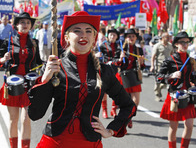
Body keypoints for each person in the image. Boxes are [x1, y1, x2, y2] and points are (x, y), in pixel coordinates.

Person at [28, 11, 136, 148]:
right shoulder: (54, 67)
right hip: (54, 142)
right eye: (77, 31)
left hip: (90, 143)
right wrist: (44, 79)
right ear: (67, 37)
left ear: (94, 37)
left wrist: (111, 130)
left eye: (88, 31)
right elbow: (35, 114)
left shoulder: (104, 71)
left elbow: (128, 105)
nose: (83, 35)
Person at [0, 12, 40, 148]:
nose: (25, 25)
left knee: (26, 120)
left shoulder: (34, 43)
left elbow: (39, 62)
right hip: (12, 85)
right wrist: (3, 59)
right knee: (13, 119)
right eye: (22, 22)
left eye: (28, 23)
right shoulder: (8, 42)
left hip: (29, 85)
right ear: (16, 25)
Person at [157, 31, 196, 148]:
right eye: (182, 42)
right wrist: (171, 75)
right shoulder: (170, 60)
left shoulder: (190, 59)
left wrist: (193, 82)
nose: (185, 44)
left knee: (189, 125)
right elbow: (158, 77)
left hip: (188, 96)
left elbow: (192, 77)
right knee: (173, 127)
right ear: (176, 44)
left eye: (187, 42)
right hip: (175, 96)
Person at [117, 28, 144, 128]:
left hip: (135, 75)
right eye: (129, 36)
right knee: (125, 101)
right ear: (126, 38)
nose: (131, 38)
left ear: (136, 37)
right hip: (123, 76)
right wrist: (120, 58)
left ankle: (129, 117)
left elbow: (143, 66)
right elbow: (116, 63)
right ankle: (123, 119)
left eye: (133, 36)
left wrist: (141, 62)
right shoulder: (121, 48)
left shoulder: (139, 49)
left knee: (136, 101)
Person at [97, 28, 121, 118]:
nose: (112, 36)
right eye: (111, 35)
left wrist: (121, 57)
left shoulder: (120, 46)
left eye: (114, 35)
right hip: (106, 69)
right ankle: (104, 110)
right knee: (104, 91)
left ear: (117, 37)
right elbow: (98, 56)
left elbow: (120, 59)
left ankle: (113, 109)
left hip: (116, 69)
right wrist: (98, 55)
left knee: (116, 90)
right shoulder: (103, 45)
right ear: (108, 36)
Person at [150, 32, 173, 102]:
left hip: (168, 66)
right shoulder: (157, 45)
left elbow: (172, 55)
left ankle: (161, 87)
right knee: (158, 81)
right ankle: (158, 95)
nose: (168, 39)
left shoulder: (170, 46)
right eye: (167, 37)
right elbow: (153, 57)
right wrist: (152, 66)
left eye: (169, 37)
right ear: (162, 38)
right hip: (159, 66)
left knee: (165, 82)